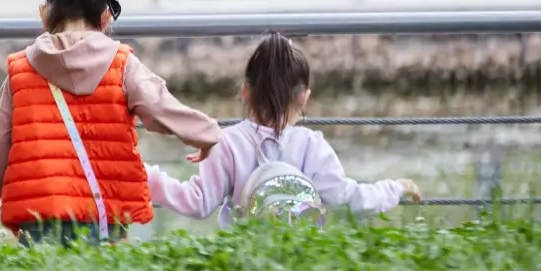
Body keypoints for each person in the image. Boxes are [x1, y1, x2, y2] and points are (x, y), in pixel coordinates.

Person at [0, 0, 223, 247]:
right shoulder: (122, 65)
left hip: (39, 222)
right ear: (105, 18)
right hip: (104, 219)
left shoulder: (20, 72)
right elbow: (160, 108)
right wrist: (205, 134)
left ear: (44, 15)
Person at [146, 32, 421, 229]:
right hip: (299, 254)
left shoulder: (226, 142)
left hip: (241, 257)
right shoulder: (312, 146)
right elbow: (346, 199)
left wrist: (143, 175)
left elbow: (198, 203)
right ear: (304, 97)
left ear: (245, 92)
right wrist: (395, 188)